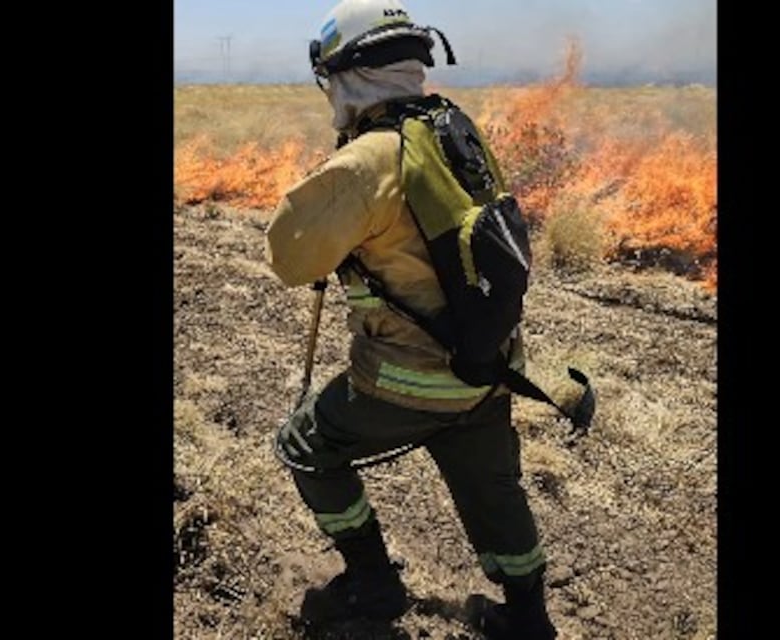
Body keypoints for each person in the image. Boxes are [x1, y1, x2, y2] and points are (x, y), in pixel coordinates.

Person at [264, 1, 557, 638]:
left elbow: (288, 257)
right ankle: (529, 617)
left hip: (409, 379)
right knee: (493, 487)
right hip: (488, 364)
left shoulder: (368, 158)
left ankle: (373, 584)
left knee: (306, 446)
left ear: (345, 73)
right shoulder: (453, 129)